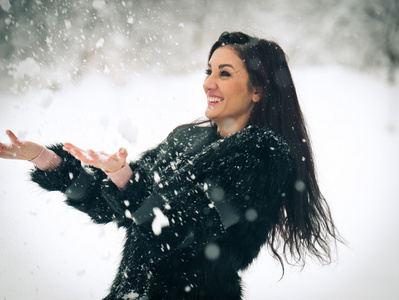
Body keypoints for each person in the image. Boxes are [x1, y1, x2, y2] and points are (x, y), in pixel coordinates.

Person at [0, 31, 341, 300]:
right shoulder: (186, 140)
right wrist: (46, 160)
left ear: (258, 90)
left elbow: (181, 226)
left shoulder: (264, 153)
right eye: (209, 71)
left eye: (224, 73)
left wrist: (124, 179)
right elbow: (114, 208)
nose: (208, 82)